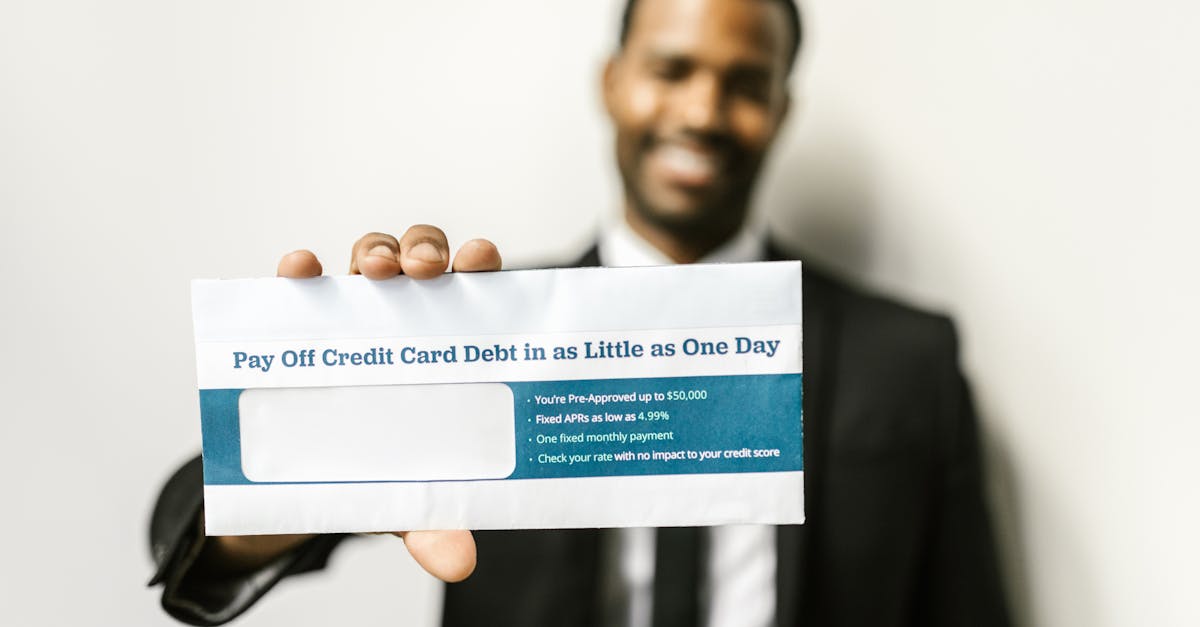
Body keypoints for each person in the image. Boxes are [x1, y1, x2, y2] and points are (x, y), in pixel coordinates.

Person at [149, 0, 1011, 625]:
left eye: (745, 82)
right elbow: (180, 524)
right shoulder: (473, 339)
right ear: (612, 82)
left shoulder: (909, 358)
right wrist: (314, 454)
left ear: (782, 109)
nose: (703, 111)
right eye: (672, 70)